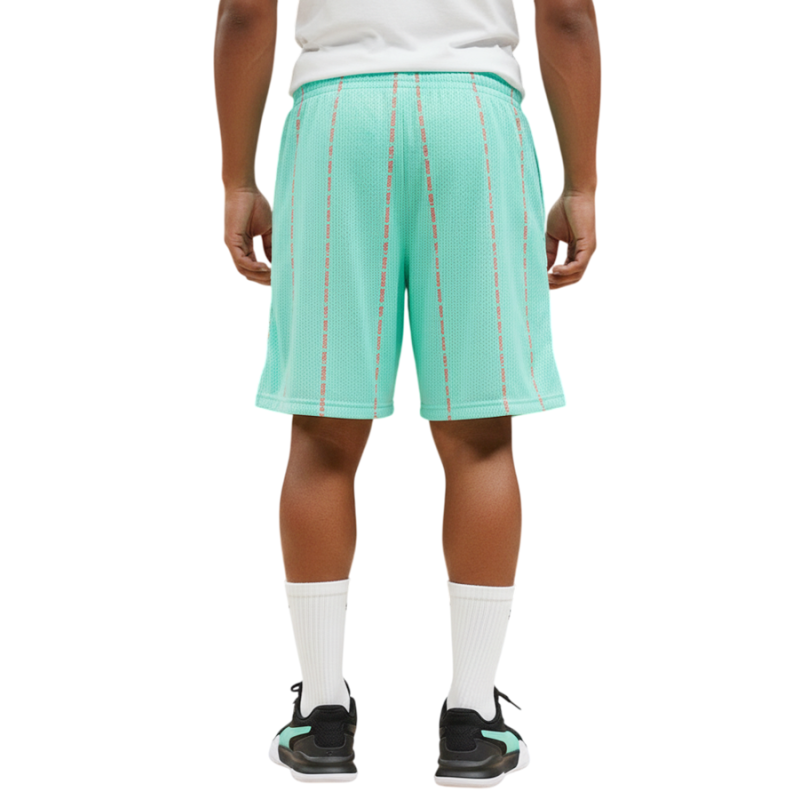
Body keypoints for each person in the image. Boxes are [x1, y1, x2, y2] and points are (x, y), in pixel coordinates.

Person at [214, 0, 599, 786]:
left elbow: (245, 14)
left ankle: (322, 718)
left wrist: (236, 178)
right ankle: (472, 720)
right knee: (479, 437)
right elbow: (566, 16)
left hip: (336, 120)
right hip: (474, 117)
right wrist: (583, 183)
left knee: (322, 435)